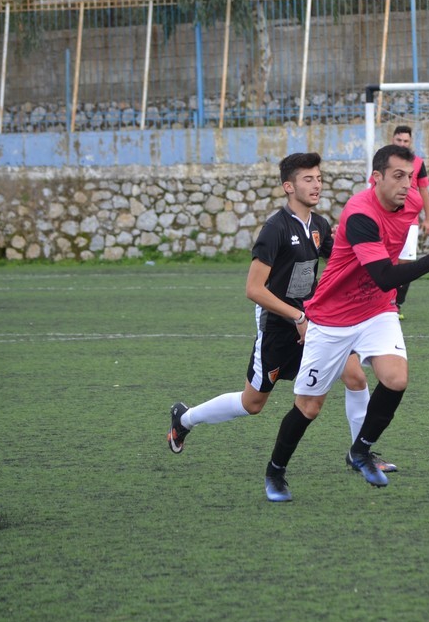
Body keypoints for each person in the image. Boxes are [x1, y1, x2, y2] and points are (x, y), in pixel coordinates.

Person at [263, 144, 429, 502]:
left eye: (410, 177)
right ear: (376, 178)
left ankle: (360, 450)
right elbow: (385, 276)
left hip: (376, 309)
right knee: (309, 407)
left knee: (396, 378)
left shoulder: (412, 202)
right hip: (332, 317)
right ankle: (275, 471)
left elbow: (385, 281)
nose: (407, 185)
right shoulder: (360, 214)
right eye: (398, 176)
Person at [166, 153, 396, 471]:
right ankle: (185, 418)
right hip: (278, 325)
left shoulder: (319, 225)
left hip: (314, 322)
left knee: (355, 377)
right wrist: (296, 317)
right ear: (289, 186)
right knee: (252, 403)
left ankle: (361, 454)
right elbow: (254, 289)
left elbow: (343, 261)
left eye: (319, 178)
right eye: (308, 179)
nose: (317, 185)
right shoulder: (275, 228)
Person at [388, 125, 429, 320]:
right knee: (387, 261)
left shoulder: (418, 162)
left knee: (405, 263)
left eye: (405, 141)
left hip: (410, 221)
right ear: (393, 139)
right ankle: (384, 304)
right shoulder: (384, 161)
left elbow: (423, 191)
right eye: (399, 140)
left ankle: (397, 304)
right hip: (387, 219)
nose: (402, 144)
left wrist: (428, 218)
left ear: (410, 142)